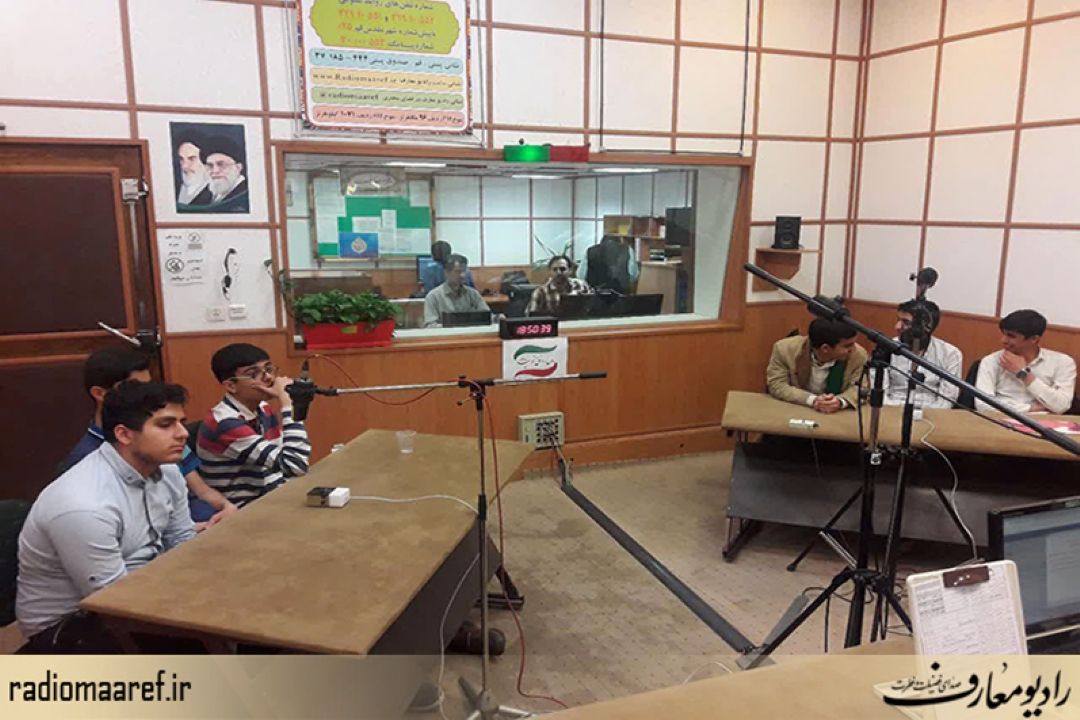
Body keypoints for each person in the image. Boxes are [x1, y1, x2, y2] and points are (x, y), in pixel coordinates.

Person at [17, 382, 196, 653]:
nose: (183, 434)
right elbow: (114, 602)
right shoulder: (84, 505)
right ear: (124, 434)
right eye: (165, 425)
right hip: (70, 626)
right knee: (213, 640)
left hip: (140, 589)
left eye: (182, 422)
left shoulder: (167, 471)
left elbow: (183, 542)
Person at [59, 348, 236, 532]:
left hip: (195, 522)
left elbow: (202, 491)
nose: (148, 395)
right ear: (99, 393)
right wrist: (190, 532)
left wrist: (227, 508)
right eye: (135, 387)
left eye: (149, 386)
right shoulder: (86, 460)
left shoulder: (169, 439)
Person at [197, 343, 310, 506]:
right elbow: (294, 465)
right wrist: (288, 403)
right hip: (243, 509)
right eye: (253, 374)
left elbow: (284, 463)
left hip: (270, 495)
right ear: (231, 385)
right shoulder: (225, 423)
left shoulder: (263, 408)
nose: (269, 378)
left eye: (268, 369)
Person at [975, 309, 1076, 414]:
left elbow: (1061, 406)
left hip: (1043, 422)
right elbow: (983, 405)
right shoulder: (991, 361)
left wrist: (1024, 374)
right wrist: (1028, 408)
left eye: (1011, 336)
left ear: (1034, 339)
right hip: (999, 419)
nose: (1003, 340)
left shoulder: (1063, 363)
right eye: (1003, 334)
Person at [766, 318, 868, 413]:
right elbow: (777, 384)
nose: (853, 349)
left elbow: (862, 389)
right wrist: (812, 400)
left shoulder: (858, 355)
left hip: (836, 415)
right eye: (848, 346)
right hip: (796, 409)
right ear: (825, 348)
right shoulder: (784, 349)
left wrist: (840, 401)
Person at [880, 299, 963, 409]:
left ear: (926, 327)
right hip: (891, 410)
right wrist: (902, 411)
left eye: (906, 322)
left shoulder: (950, 354)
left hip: (934, 414)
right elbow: (881, 395)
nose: (897, 326)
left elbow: (947, 401)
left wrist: (920, 414)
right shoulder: (886, 348)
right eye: (898, 320)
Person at [423, 254, 490, 327]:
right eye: (458, 271)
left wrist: (496, 318)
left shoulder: (473, 294)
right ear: (446, 273)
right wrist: (450, 326)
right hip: (447, 333)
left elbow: (487, 317)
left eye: (464, 271)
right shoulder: (433, 296)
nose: (463, 275)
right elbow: (430, 325)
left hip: (470, 333)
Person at [527, 255, 592, 315]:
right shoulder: (540, 292)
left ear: (570, 270)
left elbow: (592, 306)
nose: (558, 272)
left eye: (562, 269)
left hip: (579, 322)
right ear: (550, 271)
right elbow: (532, 317)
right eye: (555, 269)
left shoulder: (581, 285)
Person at [202, 136, 249, 213]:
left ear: (238, 168)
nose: (215, 171)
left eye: (221, 164)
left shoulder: (245, 196)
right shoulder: (207, 196)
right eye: (210, 166)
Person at [175, 137, 211, 207]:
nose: (184, 166)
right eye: (181, 159)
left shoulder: (214, 195)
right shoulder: (174, 188)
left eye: (191, 159)